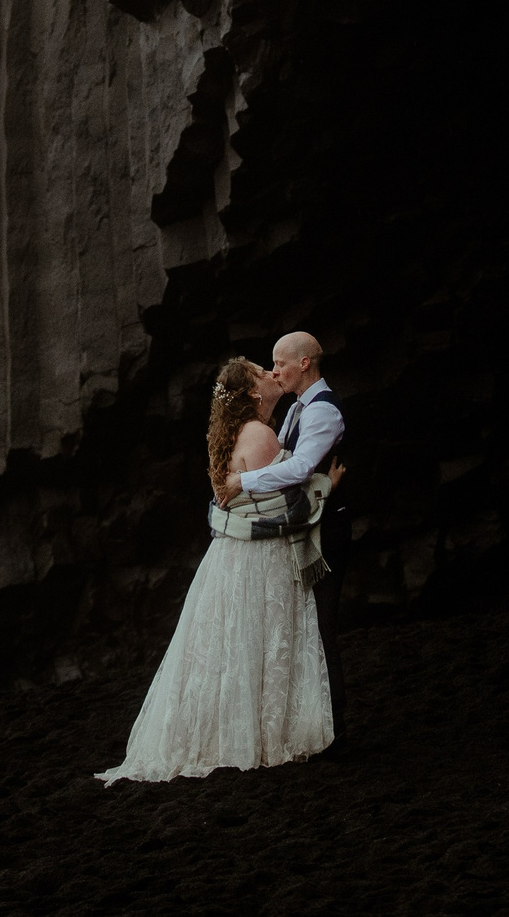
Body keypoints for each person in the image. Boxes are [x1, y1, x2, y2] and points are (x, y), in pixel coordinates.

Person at [96, 356, 335, 783]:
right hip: (259, 557)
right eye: (264, 372)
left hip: (228, 555)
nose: (272, 372)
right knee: (258, 642)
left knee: (231, 647)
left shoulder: (231, 434)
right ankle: (259, 737)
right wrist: (328, 485)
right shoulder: (260, 435)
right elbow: (287, 502)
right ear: (251, 393)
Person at [225, 330, 349, 753]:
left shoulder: (323, 413)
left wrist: (242, 481)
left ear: (304, 364)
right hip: (307, 527)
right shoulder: (299, 409)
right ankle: (312, 726)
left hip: (327, 531)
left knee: (322, 629)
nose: (274, 370)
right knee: (306, 627)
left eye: (279, 362)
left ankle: (335, 733)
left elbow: (297, 469)